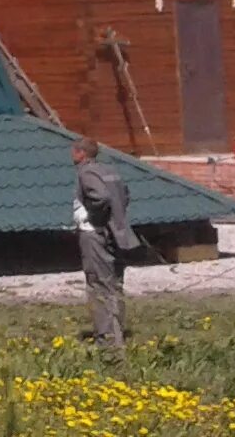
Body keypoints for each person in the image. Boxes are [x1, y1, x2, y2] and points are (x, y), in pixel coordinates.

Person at [73, 136, 141, 350]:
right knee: (114, 283)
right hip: (117, 233)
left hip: (95, 234)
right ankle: (117, 330)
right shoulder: (109, 171)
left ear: (81, 153)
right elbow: (125, 195)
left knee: (98, 283)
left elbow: (100, 197)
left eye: (73, 151)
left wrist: (94, 218)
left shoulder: (86, 173)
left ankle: (107, 339)